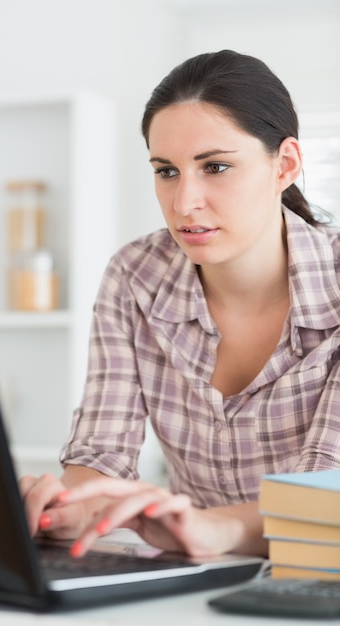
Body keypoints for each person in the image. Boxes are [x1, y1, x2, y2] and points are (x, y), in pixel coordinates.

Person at [20, 49, 340, 559]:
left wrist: (214, 529)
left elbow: (329, 494)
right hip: (203, 580)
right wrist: (68, 507)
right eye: (166, 171)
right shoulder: (135, 276)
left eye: (215, 167)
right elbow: (101, 451)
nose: (184, 202)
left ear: (285, 165)